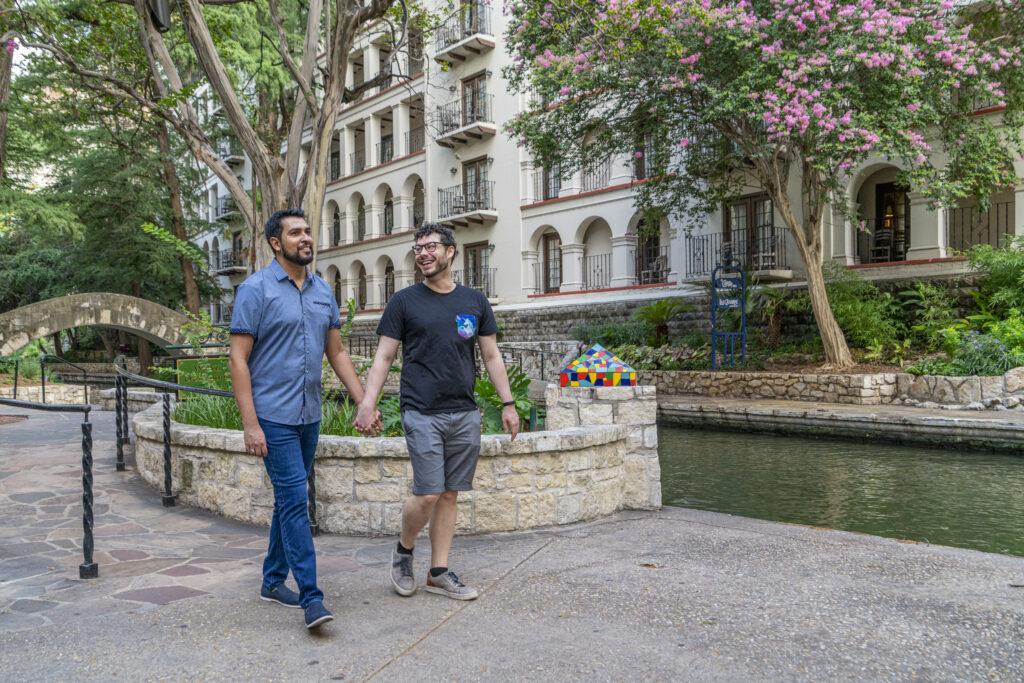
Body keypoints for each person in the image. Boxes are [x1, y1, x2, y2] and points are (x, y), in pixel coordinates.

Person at [229, 208, 377, 629]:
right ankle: (312, 597)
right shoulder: (255, 290)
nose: (306, 238)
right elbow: (238, 360)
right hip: (272, 416)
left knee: (287, 501)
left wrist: (363, 402)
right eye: (296, 233)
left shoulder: (321, 290)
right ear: (276, 243)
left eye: (308, 231)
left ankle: (273, 581)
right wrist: (250, 424)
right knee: (295, 502)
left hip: (309, 415)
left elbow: (338, 352)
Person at [354, 223, 519, 600]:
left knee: (449, 494)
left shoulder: (474, 302)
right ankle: (404, 549)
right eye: (418, 248)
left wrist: (507, 403)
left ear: (450, 252)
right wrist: (368, 402)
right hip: (421, 410)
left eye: (430, 246)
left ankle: (438, 572)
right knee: (428, 492)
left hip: (463, 411)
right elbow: (384, 356)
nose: (423, 253)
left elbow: (491, 355)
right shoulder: (404, 301)